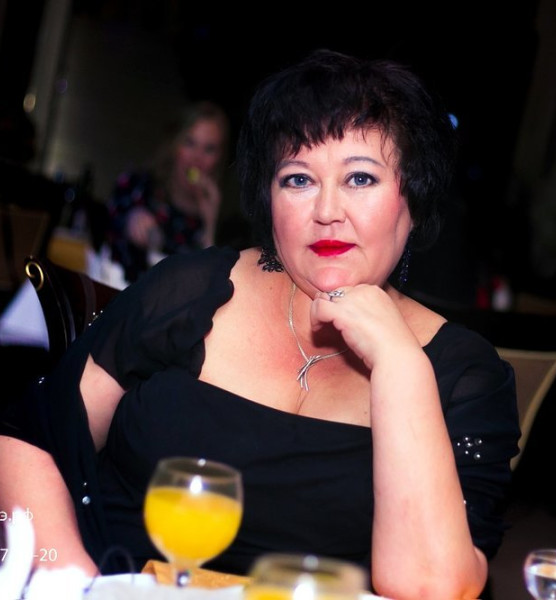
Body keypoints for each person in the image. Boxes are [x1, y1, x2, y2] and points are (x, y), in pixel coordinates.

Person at [0, 49, 520, 600]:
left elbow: (431, 585)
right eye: (298, 179)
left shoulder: (462, 374)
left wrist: (398, 362)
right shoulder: (192, 291)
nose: (327, 210)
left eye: (360, 178)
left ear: (412, 197)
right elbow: (27, 439)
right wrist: (71, 581)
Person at [106, 100, 248, 283]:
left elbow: (210, 284)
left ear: (220, 158)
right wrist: (130, 217)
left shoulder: (229, 225)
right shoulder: (138, 186)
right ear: (174, 144)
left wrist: (210, 226)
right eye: (189, 143)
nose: (196, 158)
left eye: (209, 149)